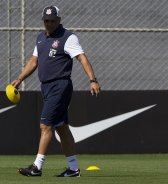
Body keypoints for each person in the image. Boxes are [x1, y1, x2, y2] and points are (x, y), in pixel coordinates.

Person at [11, 6, 101, 177]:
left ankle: (37, 167)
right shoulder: (40, 38)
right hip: (46, 87)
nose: (49, 23)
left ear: (59, 20)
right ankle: (73, 169)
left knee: (45, 125)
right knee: (61, 128)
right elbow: (34, 61)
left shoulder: (68, 37)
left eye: (52, 20)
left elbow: (82, 57)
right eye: (46, 20)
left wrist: (92, 80)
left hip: (60, 86)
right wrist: (20, 78)